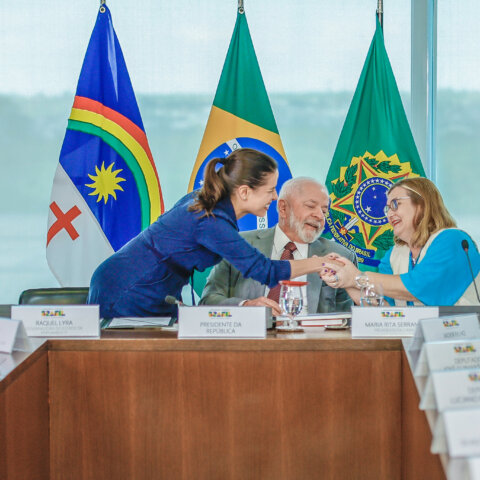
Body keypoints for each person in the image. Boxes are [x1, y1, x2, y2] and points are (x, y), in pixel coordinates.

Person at [87, 149, 336, 318]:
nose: (274, 196)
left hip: (154, 288)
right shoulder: (211, 220)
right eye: (270, 190)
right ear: (245, 192)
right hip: (129, 289)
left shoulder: (209, 206)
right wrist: (318, 263)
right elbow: (265, 271)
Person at [200, 177, 357, 315]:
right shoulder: (238, 244)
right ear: (283, 208)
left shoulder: (341, 256)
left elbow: (347, 321)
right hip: (250, 343)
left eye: (324, 210)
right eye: (310, 206)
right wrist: (245, 306)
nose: (320, 216)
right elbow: (207, 301)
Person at [320, 177, 480, 306]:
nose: (389, 214)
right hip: (411, 341)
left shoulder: (454, 240)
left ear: (422, 204)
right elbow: (383, 308)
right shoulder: (394, 254)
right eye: (387, 208)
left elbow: (419, 287)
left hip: (461, 341)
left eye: (395, 204)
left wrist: (358, 277)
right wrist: (344, 278)